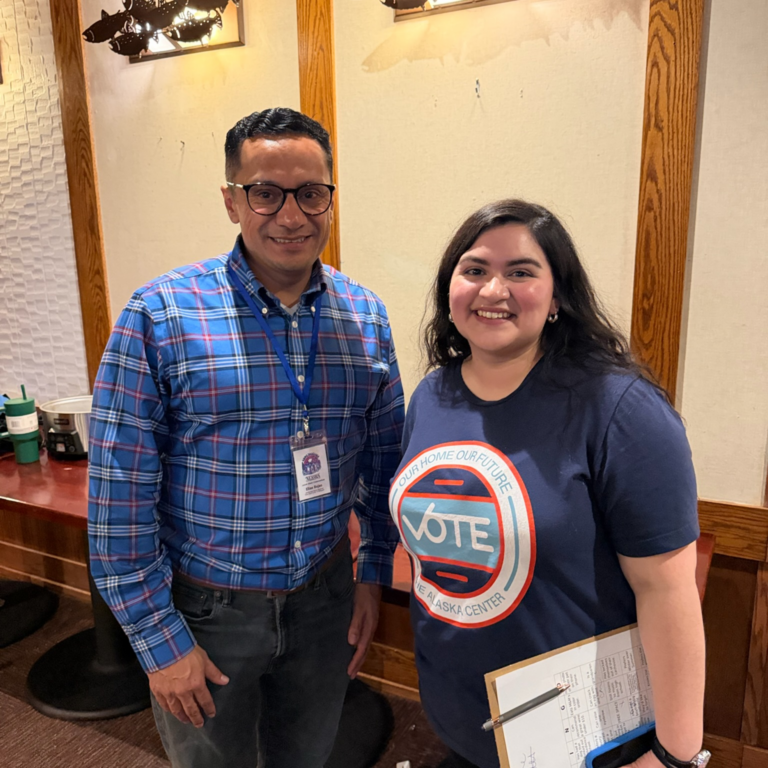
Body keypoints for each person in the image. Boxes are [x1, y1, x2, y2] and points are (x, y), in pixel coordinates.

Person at [88, 107, 405, 768]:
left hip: (326, 600)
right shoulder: (160, 315)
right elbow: (118, 497)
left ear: (330, 200)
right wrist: (158, 639)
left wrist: (371, 575)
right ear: (232, 201)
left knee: (308, 755)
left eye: (311, 193)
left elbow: (384, 462)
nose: (291, 216)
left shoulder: (366, 317)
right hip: (206, 609)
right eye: (265, 192)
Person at [389, 200, 707, 768]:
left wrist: (675, 755)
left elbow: (668, 590)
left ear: (558, 296)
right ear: (449, 289)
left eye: (521, 272)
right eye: (475, 270)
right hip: (461, 719)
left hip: (580, 737)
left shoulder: (618, 407)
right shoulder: (432, 396)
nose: (493, 290)